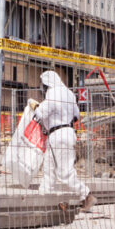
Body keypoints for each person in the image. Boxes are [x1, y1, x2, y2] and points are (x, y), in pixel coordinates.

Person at [34, 71, 97, 212]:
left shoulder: (53, 93)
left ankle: (86, 195)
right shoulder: (68, 93)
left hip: (58, 134)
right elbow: (76, 115)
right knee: (48, 169)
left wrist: (35, 107)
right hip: (64, 133)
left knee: (64, 172)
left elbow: (41, 113)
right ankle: (44, 196)